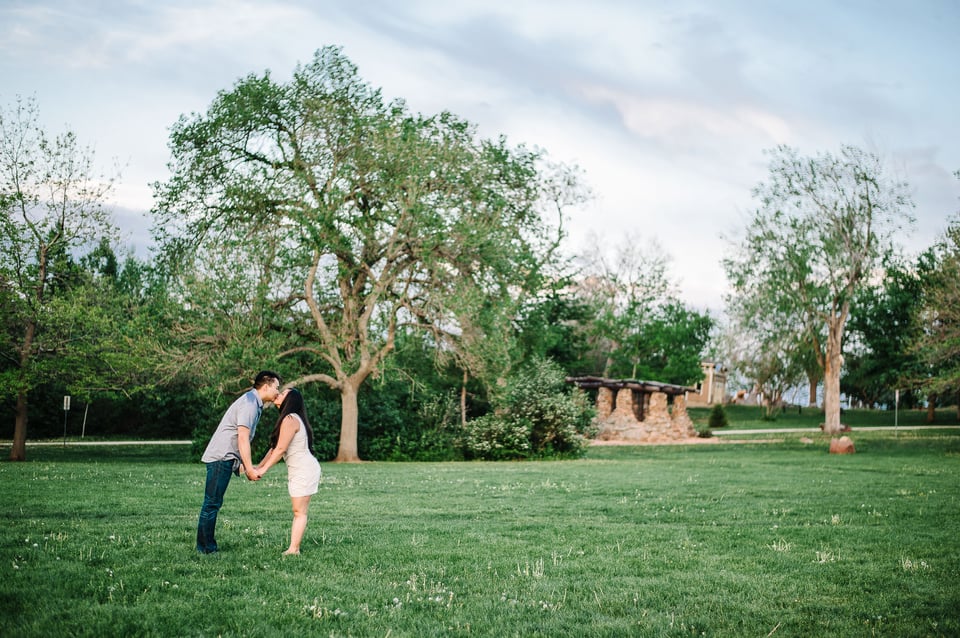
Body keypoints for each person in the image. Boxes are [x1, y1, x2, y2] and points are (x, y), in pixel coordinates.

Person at [195, 370, 283, 554]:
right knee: (212, 503)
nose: (277, 391)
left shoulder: (253, 402)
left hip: (226, 457)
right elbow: (242, 437)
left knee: (213, 503)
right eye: (276, 387)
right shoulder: (250, 404)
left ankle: (204, 546)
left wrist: (243, 463)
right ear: (266, 386)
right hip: (222, 457)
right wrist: (250, 468)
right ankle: (206, 549)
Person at [254, 388, 322, 555]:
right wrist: (258, 467)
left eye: (283, 393)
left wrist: (263, 470)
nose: (279, 394)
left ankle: (294, 549)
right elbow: (274, 449)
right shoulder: (287, 419)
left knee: (299, 511)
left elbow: (280, 449)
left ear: (290, 400)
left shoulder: (291, 419)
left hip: (304, 470)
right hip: (300, 469)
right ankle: (294, 547)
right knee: (298, 511)